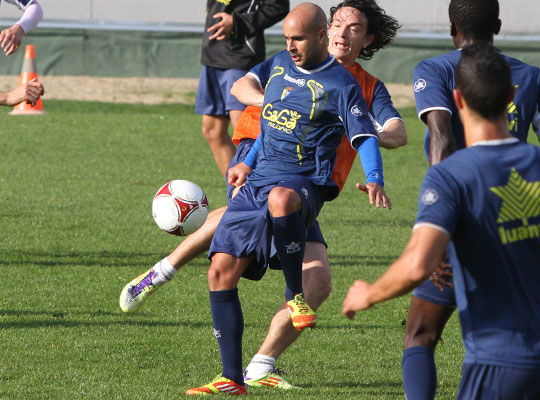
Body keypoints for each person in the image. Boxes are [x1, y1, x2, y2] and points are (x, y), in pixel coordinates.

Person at [121, 0, 404, 390]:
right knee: (233, 250)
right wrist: (269, 112)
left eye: (353, 28)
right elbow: (244, 90)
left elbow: (394, 132)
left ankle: (259, 363)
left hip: (304, 179)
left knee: (309, 269)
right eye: (338, 22)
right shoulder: (284, 65)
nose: (343, 32)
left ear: (367, 39)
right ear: (326, 29)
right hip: (259, 157)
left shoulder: (357, 87)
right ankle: (167, 278)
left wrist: (361, 132)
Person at [343, 42, 540, 400]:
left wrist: (367, 293)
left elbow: (418, 265)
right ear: (511, 95)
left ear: (457, 100)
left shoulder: (451, 176)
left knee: (419, 333)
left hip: (499, 366)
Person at [403, 1, 540, 398]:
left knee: (420, 335)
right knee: (509, 339)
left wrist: (438, 229)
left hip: (461, 220)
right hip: (518, 223)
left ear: (451, 28)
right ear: (497, 24)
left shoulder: (435, 69)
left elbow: (441, 139)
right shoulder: (532, 76)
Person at [197, 0, 289, 177]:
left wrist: (237, 21)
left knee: (245, 132)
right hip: (213, 54)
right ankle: (238, 194)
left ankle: (262, 192)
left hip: (240, 55)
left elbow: (278, 7)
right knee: (212, 131)